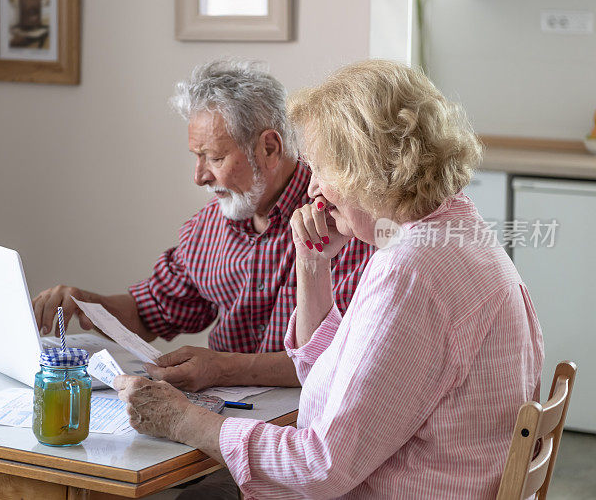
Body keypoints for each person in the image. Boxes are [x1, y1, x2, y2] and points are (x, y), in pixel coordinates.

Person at [114, 60, 544, 499]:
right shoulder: (458, 228)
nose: (313, 188)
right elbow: (329, 375)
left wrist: (185, 421)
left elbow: (319, 467)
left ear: (368, 168)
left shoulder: (409, 271)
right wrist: (313, 263)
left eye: (323, 168)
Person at [33, 60, 373, 390]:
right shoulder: (208, 226)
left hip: (302, 421)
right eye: (197, 157)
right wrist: (85, 303)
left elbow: (337, 356)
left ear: (269, 148)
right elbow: (151, 312)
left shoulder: (339, 224)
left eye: (214, 157)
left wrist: (221, 368)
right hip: (228, 418)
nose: (199, 177)